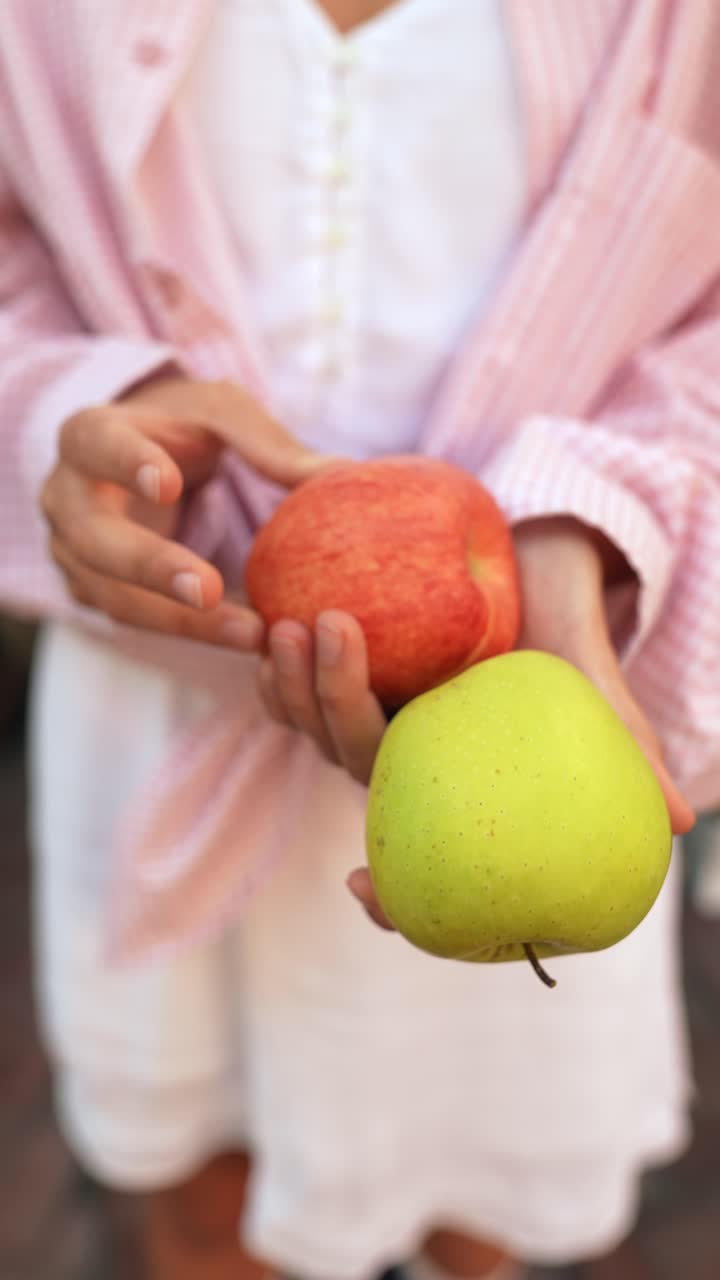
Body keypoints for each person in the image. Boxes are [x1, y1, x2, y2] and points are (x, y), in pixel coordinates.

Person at [2, 2, 720, 1278]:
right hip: (166, 687)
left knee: (476, 1204)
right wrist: (76, 407)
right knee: (201, 1197)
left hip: (538, 725)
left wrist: (584, 523)